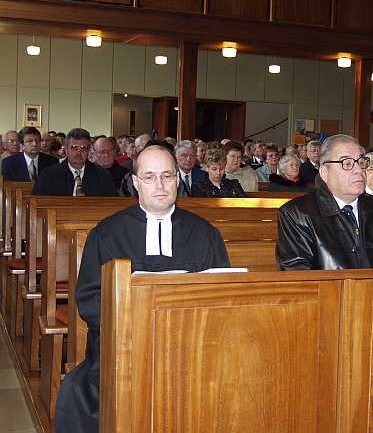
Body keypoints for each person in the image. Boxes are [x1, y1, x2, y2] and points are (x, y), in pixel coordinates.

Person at [54, 145, 231, 432]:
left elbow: (223, 298)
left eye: (166, 175)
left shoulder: (206, 233)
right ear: (135, 182)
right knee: (77, 392)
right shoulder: (107, 233)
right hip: (126, 346)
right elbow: (89, 299)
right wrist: (137, 324)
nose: (159, 185)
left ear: (177, 180)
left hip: (190, 348)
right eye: (149, 177)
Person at [276, 134, 373, 270]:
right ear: (325, 173)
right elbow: (299, 277)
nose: (358, 170)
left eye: (361, 162)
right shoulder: (297, 214)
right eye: (347, 163)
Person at [32, 128, 118, 196]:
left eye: (83, 148)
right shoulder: (49, 176)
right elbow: (38, 203)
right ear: (66, 148)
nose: (78, 153)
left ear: (89, 150)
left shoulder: (102, 176)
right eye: (74, 148)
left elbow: (112, 205)